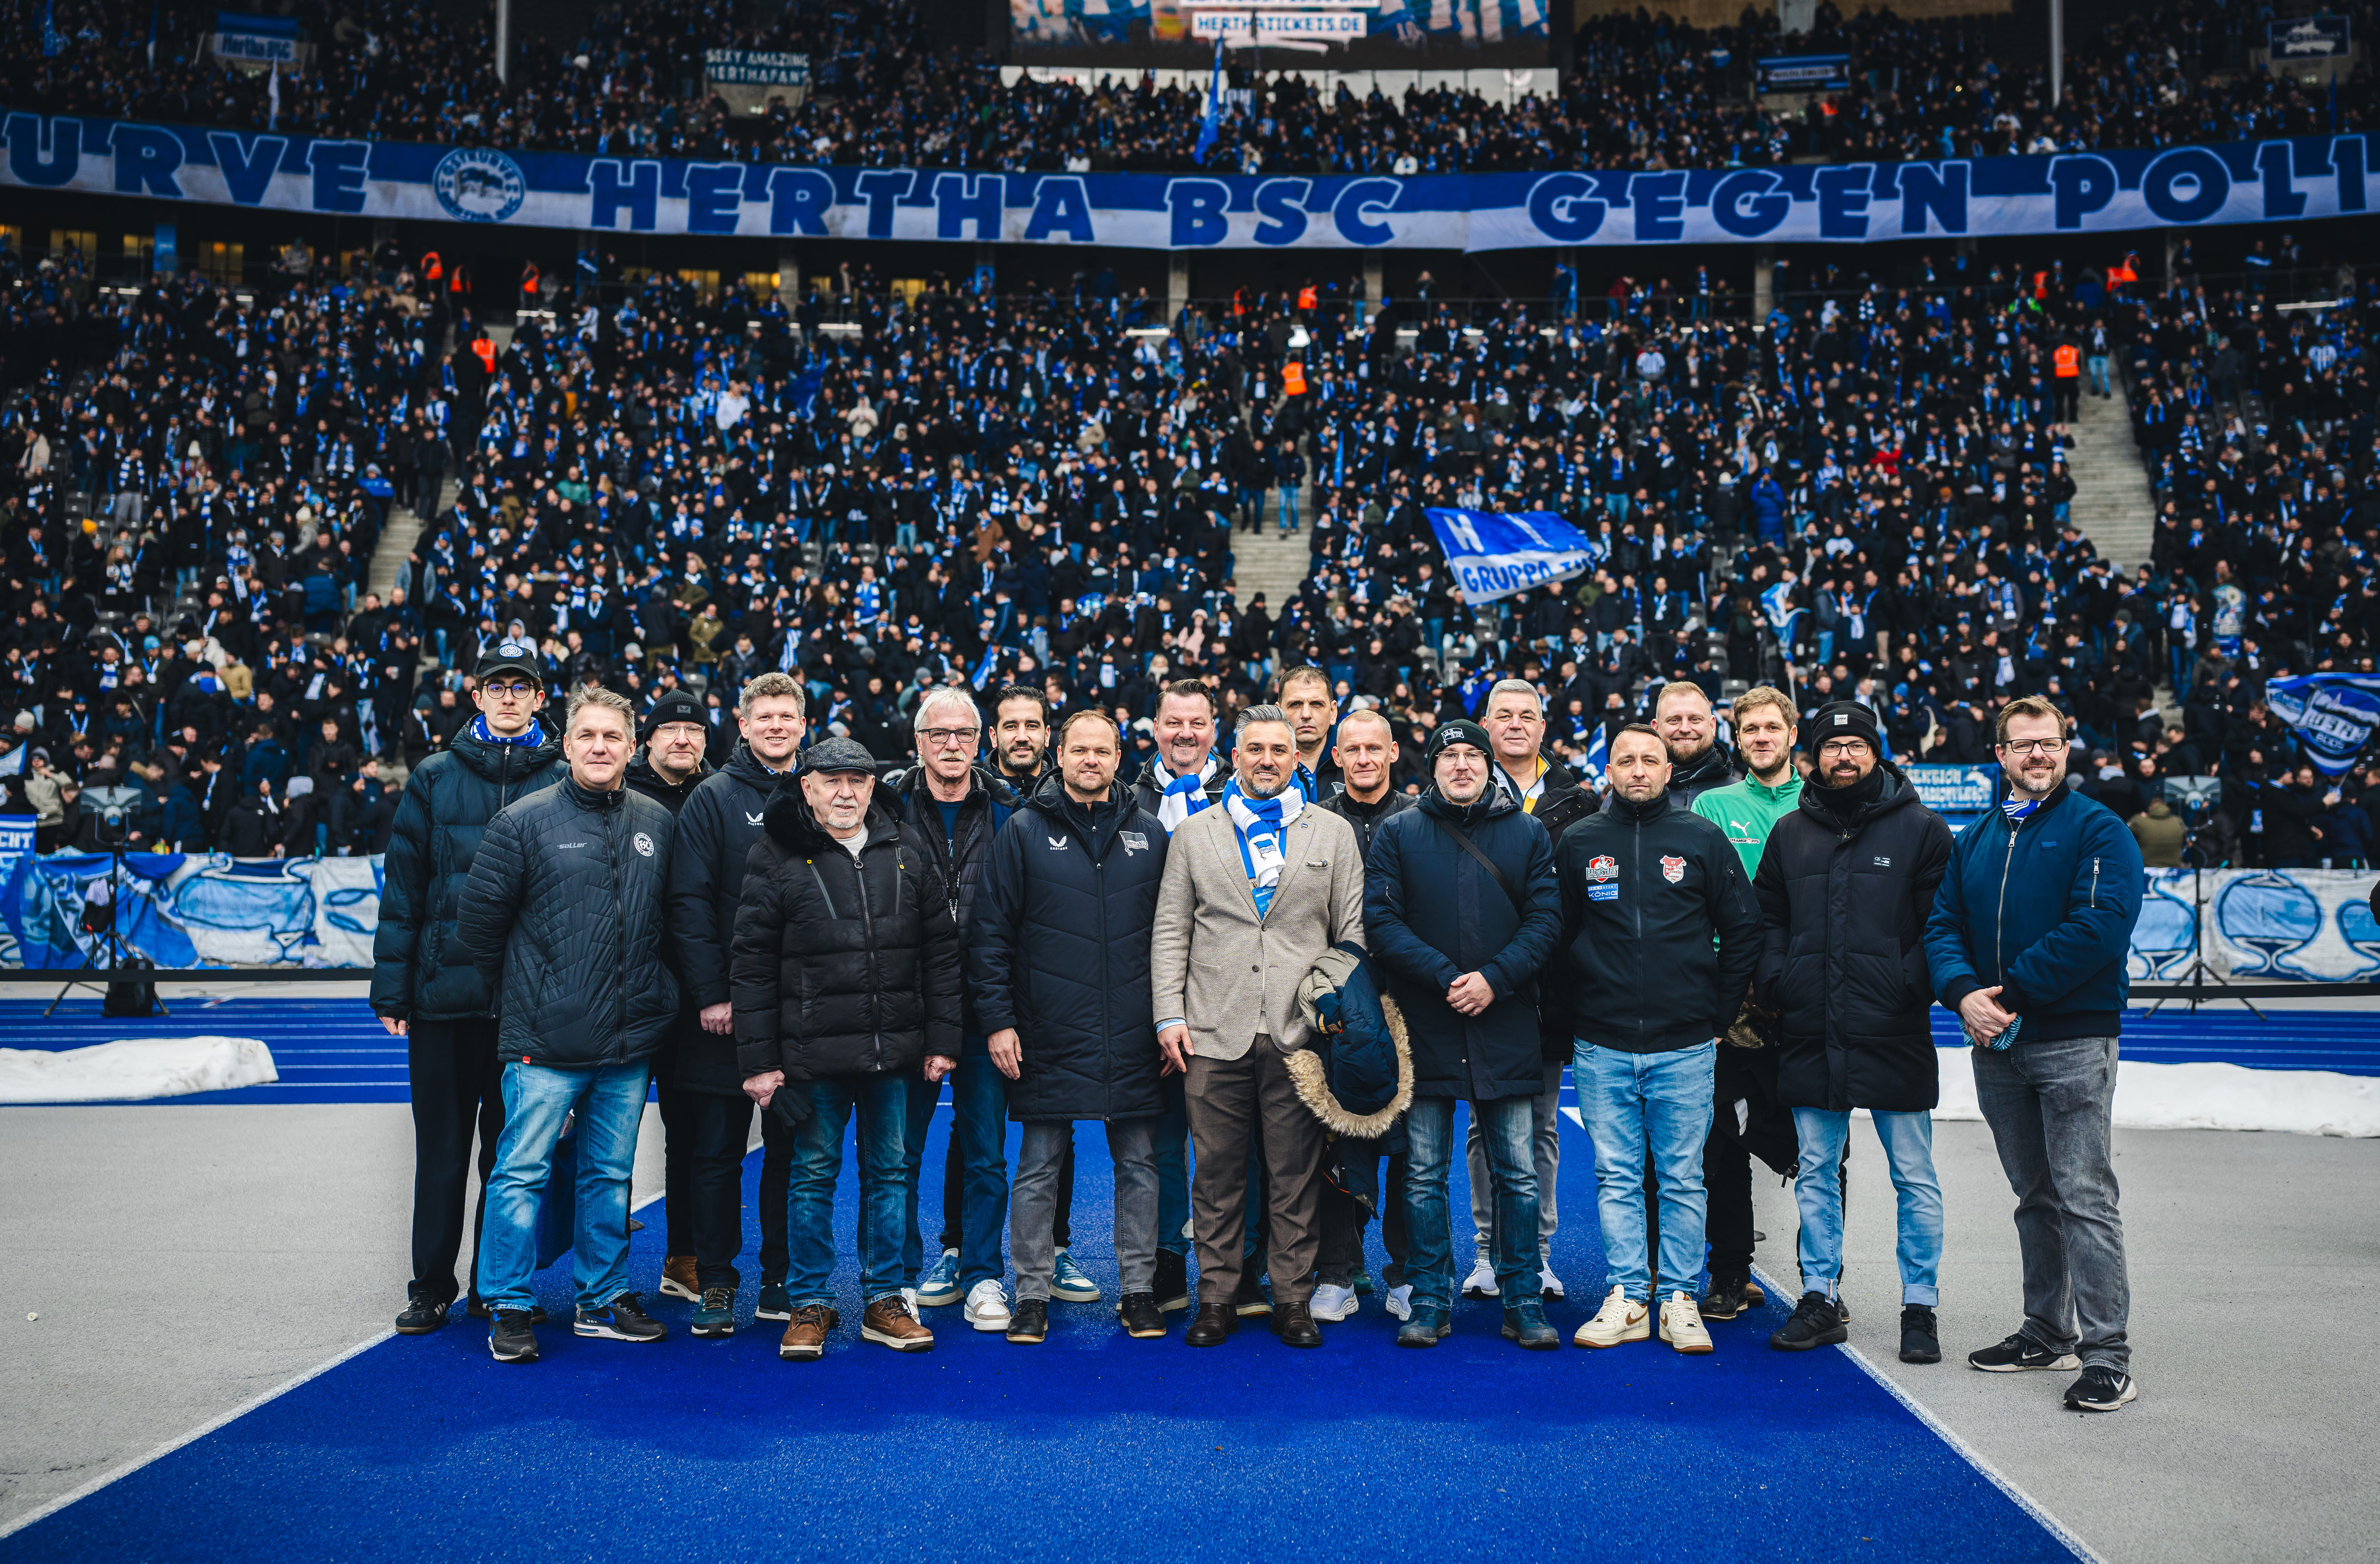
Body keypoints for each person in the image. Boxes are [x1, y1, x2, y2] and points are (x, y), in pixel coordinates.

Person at [1926, 695, 2146, 1413]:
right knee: (2035, 1197)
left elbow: (2101, 926)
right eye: (2022, 745)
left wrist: (2008, 993)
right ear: (2001, 755)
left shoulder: (2099, 830)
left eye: (2048, 743)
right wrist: (1963, 993)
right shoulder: (1976, 838)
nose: (2037, 755)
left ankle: (2107, 1353)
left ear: (2066, 747)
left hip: (2072, 1040)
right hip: (1997, 1044)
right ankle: (2047, 1328)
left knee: (2085, 1196)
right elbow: (1941, 924)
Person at [456, 687, 681, 1364]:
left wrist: (657, 991)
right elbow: (479, 929)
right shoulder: (523, 823)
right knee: (520, 1172)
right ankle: (510, 1303)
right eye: (587, 736)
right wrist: (534, 994)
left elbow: (670, 922)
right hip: (544, 1042)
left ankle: (601, 1298)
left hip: (628, 1040)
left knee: (610, 1176)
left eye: (613, 737)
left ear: (631, 747)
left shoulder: (656, 822)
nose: (600, 748)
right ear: (566, 743)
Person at [733, 737, 962, 1360]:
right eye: (831, 780)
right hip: (811, 1058)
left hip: (895, 1055)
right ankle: (810, 1303)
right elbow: (751, 963)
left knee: (891, 1175)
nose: (845, 792)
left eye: (857, 782)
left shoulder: (904, 847)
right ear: (806, 786)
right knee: (812, 1177)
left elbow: (940, 952)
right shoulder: (774, 853)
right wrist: (758, 1061)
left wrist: (943, 1039)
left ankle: (885, 1299)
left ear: (872, 787)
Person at [1151, 704, 1366, 1348]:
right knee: (1215, 1175)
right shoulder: (1195, 833)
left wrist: (1324, 1004)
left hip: (1298, 1036)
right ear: (1235, 756)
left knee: (1295, 1175)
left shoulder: (1331, 833)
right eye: (1255, 750)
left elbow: (1351, 936)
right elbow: (1171, 931)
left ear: (1298, 758)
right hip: (1212, 1031)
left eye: (1280, 750)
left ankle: (1292, 1300)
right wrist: (1168, 1013)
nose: (1268, 760)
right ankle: (1215, 1297)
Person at [1752, 701, 1955, 1365]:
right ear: (1813, 756)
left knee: (1913, 1174)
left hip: (1891, 1025)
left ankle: (1919, 1306)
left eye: (1856, 745)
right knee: (1814, 1168)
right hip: (1811, 1025)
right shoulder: (1789, 833)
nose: (1844, 756)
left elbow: (1942, 925)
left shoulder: (1923, 829)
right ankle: (1819, 1296)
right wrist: (1780, 978)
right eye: (1832, 746)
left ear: (1876, 752)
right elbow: (1767, 921)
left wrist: (1908, 984)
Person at [374, 638, 565, 1335]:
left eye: (523, 685)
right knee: (443, 1152)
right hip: (444, 1000)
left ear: (541, 697)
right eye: (498, 685)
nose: (510, 695)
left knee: (512, 1154)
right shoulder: (432, 775)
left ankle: (493, 1281)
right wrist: (392, 989)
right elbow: (405, 889)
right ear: (476, 694)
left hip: (528, 1004)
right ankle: (430, 1286)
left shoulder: (567, 775)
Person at [970, 710, 1173, 1344]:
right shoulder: (1024, 832)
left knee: (1140, 1165)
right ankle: (1031, 1294)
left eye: (1102, 751)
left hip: (1135, 1032)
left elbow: (1176, 938)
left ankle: (1138, 1290)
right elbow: (989, 936)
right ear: (1060, 755)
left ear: (1120, 757)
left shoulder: (1152, 835)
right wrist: (999, 1023)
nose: (1091, 760)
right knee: (1037, 1168)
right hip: (1045, 1030)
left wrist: (1169, 1019)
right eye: (1079, 750)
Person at [1555, 723, 1758, 1355]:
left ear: (1669, 772)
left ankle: (1678, 1297)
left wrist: (1717, 1015)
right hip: (1603, 1044)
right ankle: (1627, 1297)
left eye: (1651, 760)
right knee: (1616, 1175)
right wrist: (1577, 1015)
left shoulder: (1701, 837)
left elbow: (1744, 929)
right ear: (1608, 770)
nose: (1639, 770)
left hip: (1686, 1044)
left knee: (1681, 1177)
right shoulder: (1580, 841)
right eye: (1627, 760)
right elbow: (1555, 936)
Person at [1364, 720, 1563, 1350]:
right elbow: (1382, 922)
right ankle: (1428, 1300)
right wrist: (1452, 979)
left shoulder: (1528, 832)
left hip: (1502, 1021)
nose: (1461, 766)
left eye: (1471, 756)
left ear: (1489, 764)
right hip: (1426, 1024)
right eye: (1448, 757)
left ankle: (1523, 1299)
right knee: (1423, 1173)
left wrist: (1494, 980)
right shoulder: (1399, 832)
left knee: (1517, 1173)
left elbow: (1546, 920)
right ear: (1432, 767)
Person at [658, 673, 806, 1338]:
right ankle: (717, 1281)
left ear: (803, 724)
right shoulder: (713, 799)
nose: (776, 726)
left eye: (788, 716)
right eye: (764, 717)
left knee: (790, 1153)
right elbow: (687, 904)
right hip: (722, 1018)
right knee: (715, 1153)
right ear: (743, 727)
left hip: (801, 1016)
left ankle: (780, 1279)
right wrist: (712, 993)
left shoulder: (823, 791)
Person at [882, 688, 1032, 1332]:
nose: (951, 745)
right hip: (905, 1011)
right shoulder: (884, 806)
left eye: (964, 735)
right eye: (937, 734)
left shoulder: (1009, 809)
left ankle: (981, 1275)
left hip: (984, 1009)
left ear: (982, 741)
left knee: (986, 1154)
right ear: (917, 742)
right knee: (899, 1155)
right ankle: (900, 1280)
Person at [1461, 678, 1594, 1304]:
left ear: (1545, 728)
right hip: (1477, 991)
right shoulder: (1454, 793)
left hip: (1546, 992)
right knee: (1482, 1128)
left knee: (1541, 1126)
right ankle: (1487, 1252)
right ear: (1485, 725)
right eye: (1503, 715)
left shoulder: (1580, 802)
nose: (1516, 724)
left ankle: (1537, 1255)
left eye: (1528, 716)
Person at [1688, 683, 1804, 1321]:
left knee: (1819, 1147)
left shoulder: (1817, 801)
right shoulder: (1713, 804)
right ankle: (1730, 1272)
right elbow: (1702, 903)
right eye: (1750, 729)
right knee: (1722, 1144)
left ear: (1791, 735)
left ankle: (1822, 1284)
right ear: (1737, 738)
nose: (1761, 738)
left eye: (1771, 727)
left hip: (1805, 997)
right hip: (1731, 998)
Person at [1127, 679, 1232, 1311]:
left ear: (1214, 730)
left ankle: (1237, 1262)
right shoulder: (1125, 795)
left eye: (1197, 723)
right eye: (1174, 723)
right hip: (1151, 993)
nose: (1185, 734)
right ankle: (1167, 1259)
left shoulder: (1248, 792)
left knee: (1232, 1143)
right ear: (1155, 728)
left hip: (1228, 996)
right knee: (1161, 1141)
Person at [1313, 706, 1415, 1318]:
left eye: (1375, 748)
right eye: (1352, 750)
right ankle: (1338, 1272)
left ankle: (1406, 1274)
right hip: (1337, 1005)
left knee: (1410, 1150)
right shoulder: (1313, 823)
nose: (1364, 759)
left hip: (1407, 1008)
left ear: (1393, 752)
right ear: (1337, 756)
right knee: (1335, 1139)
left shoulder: (1421, 819)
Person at [622, 685, 715, 1309]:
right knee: (611, 1136)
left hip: (691, 994)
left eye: (694, 730)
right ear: (648, 739)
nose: (683, 738)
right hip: (623, 986)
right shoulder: (618, 792)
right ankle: (598, 1278)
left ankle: (684, 1256)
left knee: (688, 1133)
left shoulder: (717, 797)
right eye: (670, 729)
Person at [1655, 680, 1739, 806]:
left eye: (1695, 719)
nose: (1685, 729)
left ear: (1712, 726)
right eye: (1674, 720)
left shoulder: (1740, 797)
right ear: (1656, 728)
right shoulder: (1632, 799)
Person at [1275, 663, 1339, 798]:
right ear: (1279, 712)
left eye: (1316, 704)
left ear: (1333, 712)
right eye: (1295, 704)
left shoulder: (1357, 759)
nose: (1306, 714)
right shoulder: (1263, 764)